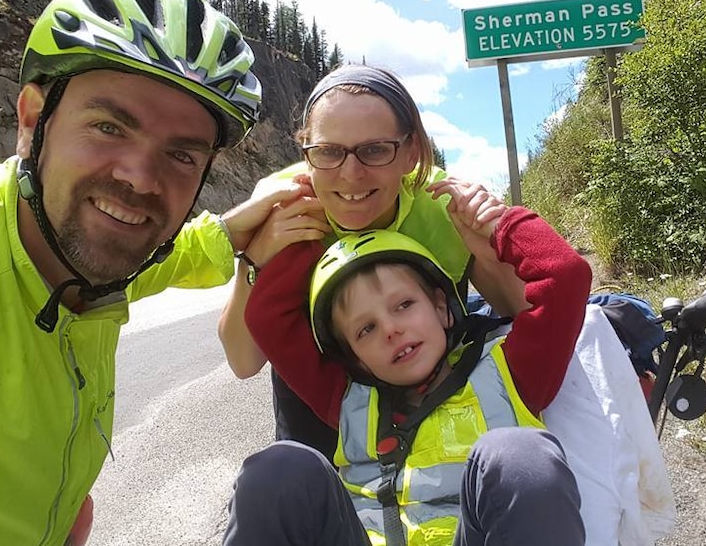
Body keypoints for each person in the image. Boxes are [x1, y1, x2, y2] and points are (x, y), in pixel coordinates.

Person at [0, 0, 298, 545]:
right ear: (33, 120)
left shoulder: (101, 260)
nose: (139, 177)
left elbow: (182, 252)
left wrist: (243, 228)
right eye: (108, 126)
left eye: (181, 154)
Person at [223, 188, 594, 545]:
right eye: (366, 329)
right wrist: (310, 226)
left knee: (520, 455)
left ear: (440, 306)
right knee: (280, 468)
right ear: (353, 357)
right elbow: (270, 318)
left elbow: (565, 277)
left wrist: (500, 224)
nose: (391, 329)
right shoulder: (348, 398)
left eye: (403, 305)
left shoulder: (510, 372)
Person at [218, 63, 528, 460]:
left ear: (411, 153)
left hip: (442, 405)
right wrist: (255, 259)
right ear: (307, 153)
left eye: (375, 150)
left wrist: (487, 241)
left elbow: (520, 314)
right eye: (329, 151)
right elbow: (243, 362)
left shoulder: (441, 205)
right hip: (321, 408)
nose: (351, 174)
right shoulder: (281, 204)